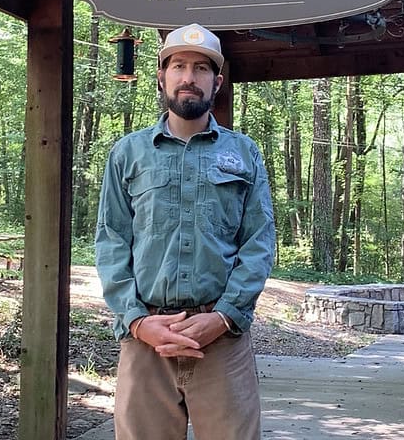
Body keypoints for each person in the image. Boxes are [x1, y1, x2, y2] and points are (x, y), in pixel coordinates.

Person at [95, 22, 276, 440]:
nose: (189, 77)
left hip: (221, 340)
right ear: (162, 76)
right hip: (146, 342)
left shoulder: (244, 153)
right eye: (178, 66)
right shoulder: (129, 153)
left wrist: (224, 316)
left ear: (217, 81)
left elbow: (259, 242)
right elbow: (111, 242)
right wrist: (138, 322)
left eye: (201, 68)